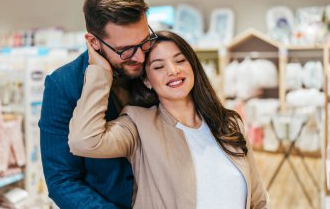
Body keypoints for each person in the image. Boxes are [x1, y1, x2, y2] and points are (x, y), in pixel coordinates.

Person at [69, 30, 270, 209]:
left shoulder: (229, 123)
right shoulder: (138, 125)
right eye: (158, 66)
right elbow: (84, 141)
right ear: (147, 80)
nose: (173, 70)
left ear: (193, 65)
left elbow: (258, 199)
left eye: (180, 60)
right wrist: (101, 72)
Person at [39, 0, 154, 208]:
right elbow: (62, 180)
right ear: (93, 42)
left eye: (144, 41)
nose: (140, 57)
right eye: (125, 50)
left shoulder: (157, 62)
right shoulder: (63, 84)